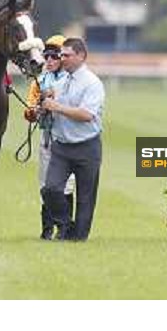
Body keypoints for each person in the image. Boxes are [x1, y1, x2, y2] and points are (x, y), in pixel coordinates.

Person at [41, 37, 105, 241]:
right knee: (50, 189)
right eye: (62, 55)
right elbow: (52, 108)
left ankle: (78, 237)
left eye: (67, 55)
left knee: (85, 199)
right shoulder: (60, 83)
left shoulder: (92, 83)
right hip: (62, 147)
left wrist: (57, 107)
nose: (62, 58)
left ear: (81, 56)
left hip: (87, 146)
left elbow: (87, 115)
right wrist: (42, 110)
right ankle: (65, 225)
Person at [24, 35, 76, 240]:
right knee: (45, 184)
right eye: (47, 56)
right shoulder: (40, 81)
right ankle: (47, 228)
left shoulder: (73, 79)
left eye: (55, 56)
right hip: (47, 137)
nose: (50, 60)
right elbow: (29, 109)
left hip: (68, 139)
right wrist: (33, 112)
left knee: (66, 184)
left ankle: (64, 228)